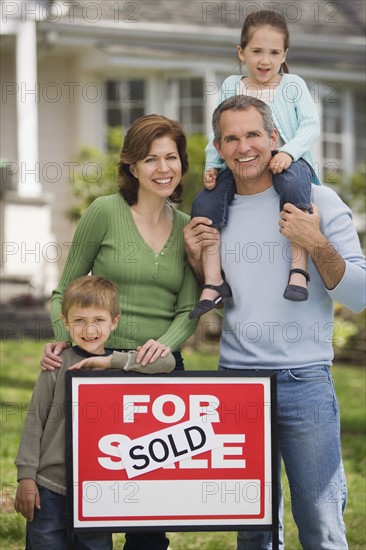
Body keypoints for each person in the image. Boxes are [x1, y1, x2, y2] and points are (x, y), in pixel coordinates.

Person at [184, 94, 366, 549]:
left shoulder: (316, 200)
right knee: (255, 530)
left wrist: (316, 242)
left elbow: (360, 295)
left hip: (304, 380)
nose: (243, 147)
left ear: (274, 139)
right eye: (231, 138)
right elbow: (218, 296)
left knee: (321, 525)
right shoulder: (213, 213)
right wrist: (193, 258)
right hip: (238, 382)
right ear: (218, 147)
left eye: (253, 135)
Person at [40, 114, 200, 550]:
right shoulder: (105, 213)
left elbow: (189, 308)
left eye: (171, 158)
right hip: (95, 368)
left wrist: (160, 348)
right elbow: (63, 292)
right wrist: (65, 344)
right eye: (151, 159)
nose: (163, 168)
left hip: (159, 372)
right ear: (132, 167)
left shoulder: (188, 227)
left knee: (148, 512)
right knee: (92, 496)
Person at [14, 276, 176, 550]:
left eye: (99, 320)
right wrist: (26, 476)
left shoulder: (116, 364)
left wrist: (113, 361)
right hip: (50, 487)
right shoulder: (57, 363)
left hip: (98, 491)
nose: (89, 329)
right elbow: (34, 421)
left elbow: (167, 362)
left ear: (115, 321)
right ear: (66, 323)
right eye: (79, 321)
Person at [189, 9, 320, 319]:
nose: (265, 60)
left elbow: (310, 126)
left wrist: (289, 153)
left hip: (290, 159)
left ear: (284, 54)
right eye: (257, 51)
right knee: (204, 201)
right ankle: (213, 281)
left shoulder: (293, 85)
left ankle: (298, 269)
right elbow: (219, 132)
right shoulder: (233, 85)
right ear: (241, 52)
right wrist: (212, 162)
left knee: (292, 185)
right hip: (238, 163)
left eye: (274, 52)